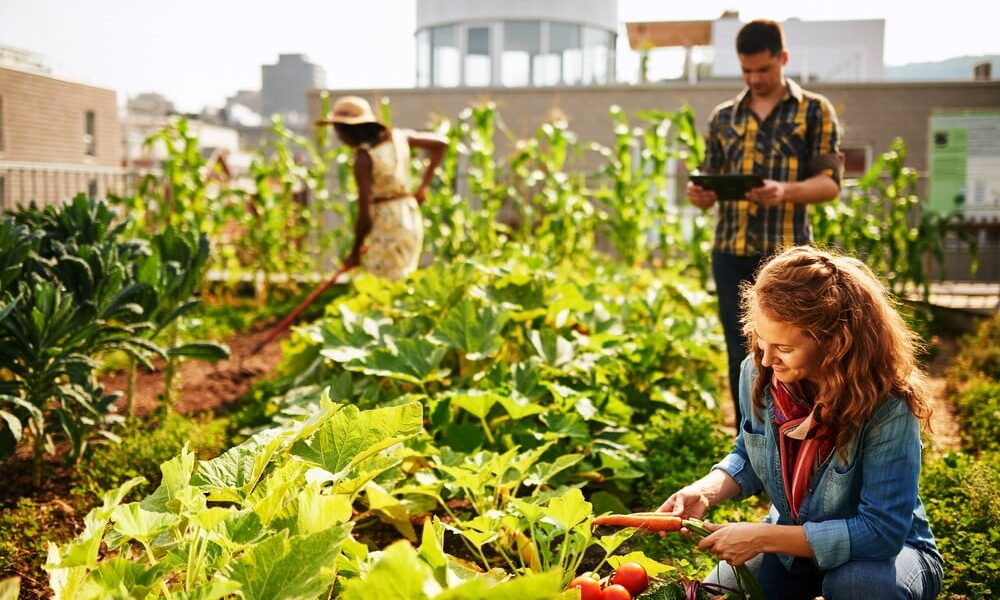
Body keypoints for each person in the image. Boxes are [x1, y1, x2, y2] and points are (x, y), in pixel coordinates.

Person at [657, 246, 943, 600]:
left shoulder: (886, 405)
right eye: (761, 339)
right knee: (720, 593)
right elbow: (747, 454)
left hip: (886, 555)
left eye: (784, 348)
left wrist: (761, 538)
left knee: (857, 586)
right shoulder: (759, 373)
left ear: (835, 344)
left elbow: (881, 532)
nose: (765, 357)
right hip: (792, 545)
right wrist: (704, 490)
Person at [686, 19, 843, 424]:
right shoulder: (723, 118)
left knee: (795, 350)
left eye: (764, 70)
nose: (755, 78)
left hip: (787, 258)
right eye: (747, 71)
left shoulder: (814, 110)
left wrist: (784, 191)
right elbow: (709, 182)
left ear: (782, 59)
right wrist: (700, 196)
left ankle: (797, 432)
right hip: (730, 251)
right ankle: (749, 441)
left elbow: (830, 185)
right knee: (739, 351)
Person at [316, 95, 447, 281]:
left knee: (381, 288)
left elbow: (365, 216)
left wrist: (354, 252)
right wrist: (422, 188)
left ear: (350, 130)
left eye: (339, 130)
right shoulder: (399, 137)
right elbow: (441, 143)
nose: (338, 136)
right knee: (401, 282)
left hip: (386, 224)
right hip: (409, 216)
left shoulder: (364, 158)